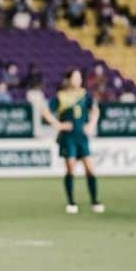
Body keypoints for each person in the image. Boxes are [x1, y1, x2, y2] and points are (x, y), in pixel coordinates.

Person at [40, 69, 103, 215]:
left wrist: (92, 124)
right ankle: (71, 202)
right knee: (70, 169)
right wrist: (58, 125)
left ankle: (95, 200)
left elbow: (95, 110)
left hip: (82, 136)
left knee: (90, 169)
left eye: (79, 77)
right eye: (75, 77)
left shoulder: (84, 95)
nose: (78, 80)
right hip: (68, 138)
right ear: (68, 80)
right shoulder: (61, 97)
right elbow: (45, 111)